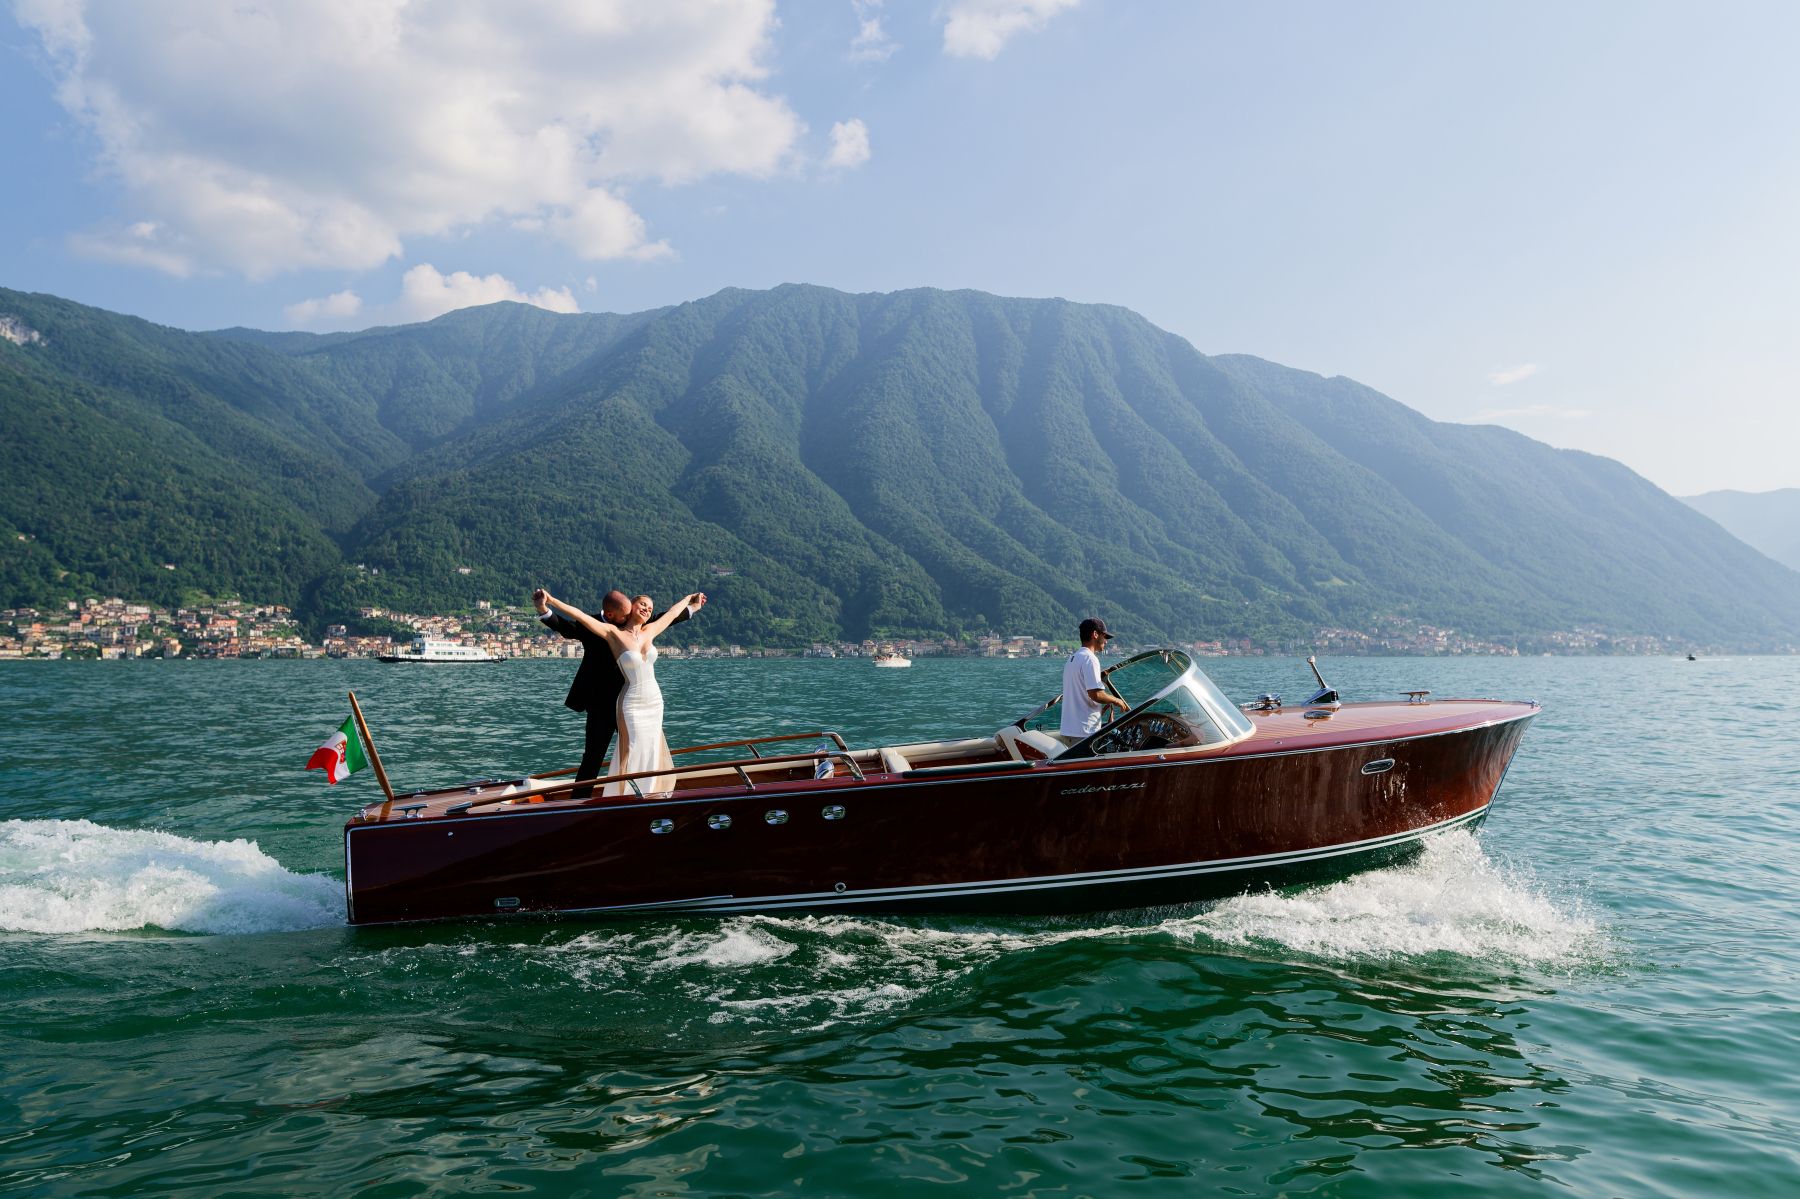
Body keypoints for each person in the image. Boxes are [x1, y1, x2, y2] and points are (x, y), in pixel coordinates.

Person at [539, 587, 707, 796]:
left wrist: (691, 603)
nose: (646, 609)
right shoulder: (608, 630)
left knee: (647, 747)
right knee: (596, 756)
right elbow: (573, 620)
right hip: (608, 703)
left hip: (652, 700)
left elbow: (670, 615)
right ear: (619, 612)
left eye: (649, 607)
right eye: (641, 605)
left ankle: (646, 792)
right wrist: (549, 602)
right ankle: (583, 801)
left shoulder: (647, 628)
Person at [1060, 617, 1128, 743]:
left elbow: (1080, 695)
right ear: (1095, 634)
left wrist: (1102, 707)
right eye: (1105, 636)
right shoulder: (1090, 659)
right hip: (1084, 732)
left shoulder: (1072, 659)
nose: (1106, 641)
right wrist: (1117, 701)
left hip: (1069, 730)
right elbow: (1095, 694)